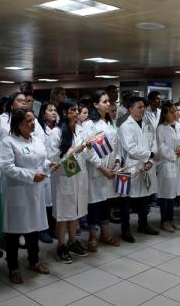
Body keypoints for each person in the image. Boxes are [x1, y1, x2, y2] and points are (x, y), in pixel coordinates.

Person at [0, 108, 52, 284]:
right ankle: (13, 267)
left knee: (34, 229)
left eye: (33, 119)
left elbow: (39, 159)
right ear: (18, 124)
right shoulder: (8, 142)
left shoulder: (36, 139)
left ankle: (34, 260)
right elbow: (7, 167)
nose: (32, 123)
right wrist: (31, 176)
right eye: (28, 121)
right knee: (14, 233)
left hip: (35, 192)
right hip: (18, 192)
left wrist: (49, 163)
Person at [46, 99, 90, 263]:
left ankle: (73, 241)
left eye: (78, 110)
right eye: (73, 110)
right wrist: (71, 151)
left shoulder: (79, 129)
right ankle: (61, 246)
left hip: (78, 176)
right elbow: (52, 157)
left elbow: (84, 155)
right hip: (64, 177)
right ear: (64, 113)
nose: (77, 113)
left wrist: (87, 148)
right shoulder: (56, 133)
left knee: (75, 212)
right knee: (63, 214)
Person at [118, 96, 160, 243]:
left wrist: (150, 159)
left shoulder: (148, 123)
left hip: (147, 165)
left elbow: (154, 141)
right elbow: (130, 148)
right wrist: (149, 155)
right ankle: (125, 229)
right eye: (139, 107)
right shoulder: (125, 126)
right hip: (130, 167)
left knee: (145, 196)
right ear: (130, 109)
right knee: (127, 200)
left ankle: (143, 224)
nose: (143, 109)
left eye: (143, 107)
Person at [82, 91, 120, 252]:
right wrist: (102, 168)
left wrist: (117, 161)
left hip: (111, 169)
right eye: (104, 101)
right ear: (95, 104)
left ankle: (106, 234)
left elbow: (117, 145)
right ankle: (92, 236)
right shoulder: (89, 124)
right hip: (96, 171)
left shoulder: (111, 122)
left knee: (106, 203)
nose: (108, 104)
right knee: (94, 205)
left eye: (109, 101)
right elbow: (88, 151)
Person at [156, 102, 180, 232]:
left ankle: (171, 220)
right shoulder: (161, 129)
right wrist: (175, 154)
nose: (175, 114)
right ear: (165, 114)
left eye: (175, 111)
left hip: (178, 164)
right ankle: (165, 221)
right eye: (171, 112)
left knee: (173, 194)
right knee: (165, 195)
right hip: (166, 164)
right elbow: (161, 148)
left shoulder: (178, 126)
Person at [37, 102, 58, 244]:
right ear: (43, 113)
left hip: (56, 168)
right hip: (44, 168)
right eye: (50, 110)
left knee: (53, 202)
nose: (53, 112)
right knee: (44, 201)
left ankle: (52, 228)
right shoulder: (39, 129)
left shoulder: (57, 129)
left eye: (55, 110)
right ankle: (42, 231)